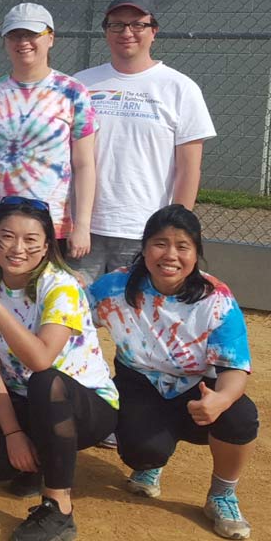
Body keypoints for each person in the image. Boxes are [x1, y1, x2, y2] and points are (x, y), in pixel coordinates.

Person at [89, 205, 257, 540]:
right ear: (145, 247)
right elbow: (72, 318)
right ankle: (152, 465)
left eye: (182, 246)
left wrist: (220, 399)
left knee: (240, 415)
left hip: (200, 387)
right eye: (160, 243)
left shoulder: (216, 299)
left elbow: (236, 368)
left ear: (196, 253)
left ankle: (221, 495)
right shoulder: (114, 288)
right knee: (142, 451)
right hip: (140, 385)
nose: (170, 255)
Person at [0, 197, 117, 541]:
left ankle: (58, 507)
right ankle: (42, 457)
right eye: (7, 236)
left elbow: (41, 360)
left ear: (46, 246)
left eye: (31, 240)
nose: (17, 248)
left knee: (45, 381)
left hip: (84, 403)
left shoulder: (61, 286)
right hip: (25, 397)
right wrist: (13, 435)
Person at [70, 0, 216, 281]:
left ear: (154, 31)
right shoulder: (80, 83)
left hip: (144, 231)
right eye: (117, 25)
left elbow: (188, 168)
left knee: (137, 318)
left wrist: (175, 230)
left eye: (137, 24)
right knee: (72, 317)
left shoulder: (180, 88)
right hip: (84, 229)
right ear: (106, 31)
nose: (127, 33)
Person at [0, 2, 97, 267]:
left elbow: (84, 164)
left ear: (50, 38)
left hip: (49, 226)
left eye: (32, 34)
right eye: (15, 35)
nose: (23, 42)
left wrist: (82, 224)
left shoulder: (72, 92)